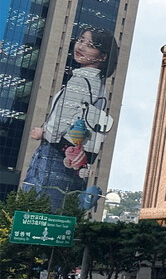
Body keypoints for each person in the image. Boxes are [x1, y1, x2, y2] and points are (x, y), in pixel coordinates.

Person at [22, 27, 119, 211]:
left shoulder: (80, 82)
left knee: (38, 208)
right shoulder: (100, 88)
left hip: (54, 156)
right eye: (81, 40)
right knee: (60, 208)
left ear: (102, 56)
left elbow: (60, 125)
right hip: (74, 159)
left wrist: (42, 132)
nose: (81, 46)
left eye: (90, 45)